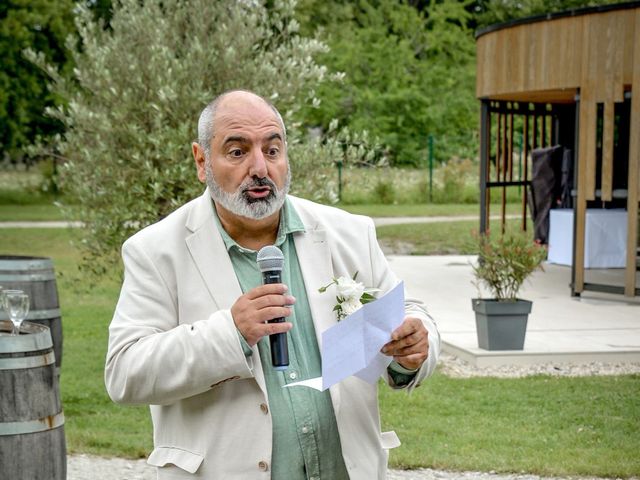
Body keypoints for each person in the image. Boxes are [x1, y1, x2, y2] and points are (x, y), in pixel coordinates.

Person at [105, 90, 440, 480]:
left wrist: (413, 348)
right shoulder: (156, 251)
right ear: (201, 161)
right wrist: (229, 333)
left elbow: (409, 314)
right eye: (237, 152)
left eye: (273, 150)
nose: (260, 167)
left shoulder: (349, 231)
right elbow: (124, 373)